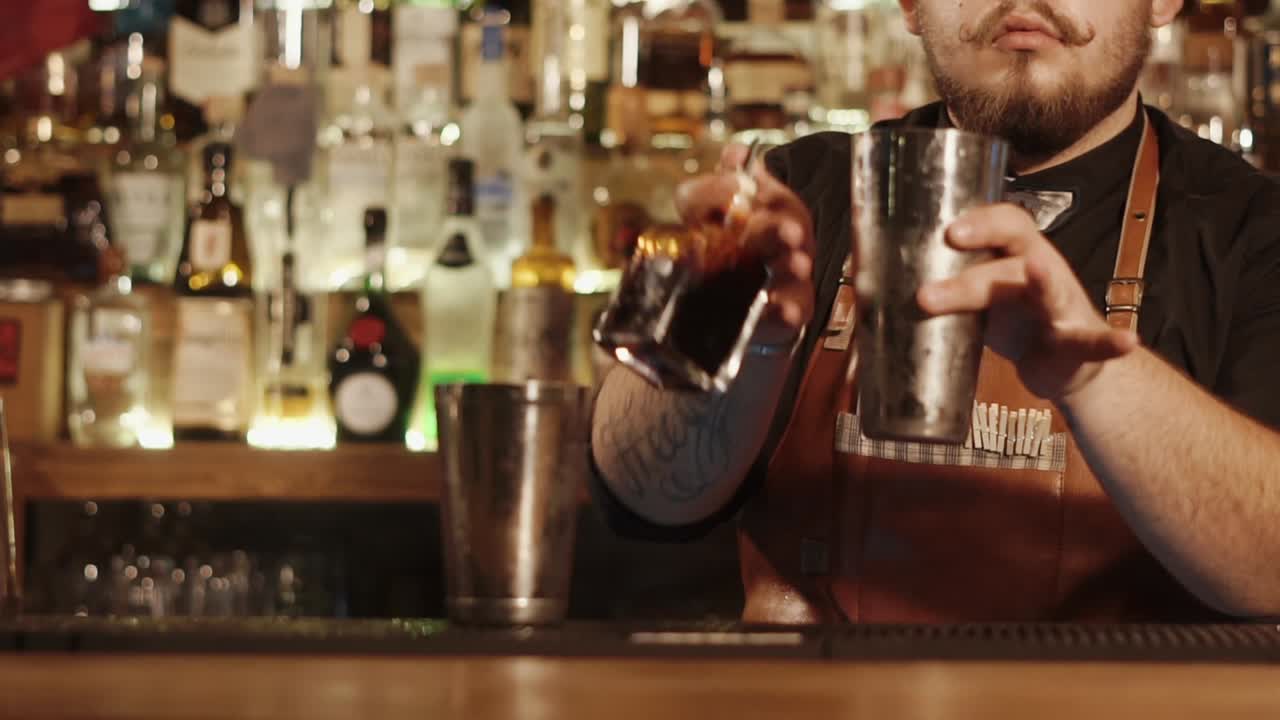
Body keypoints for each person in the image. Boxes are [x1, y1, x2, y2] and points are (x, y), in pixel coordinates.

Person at [589, 0, 1280, 623]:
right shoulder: (798, 192)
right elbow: (644, 497)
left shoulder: (1249, 233)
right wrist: (726, 331)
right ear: (911, 5)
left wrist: (1092, 379)